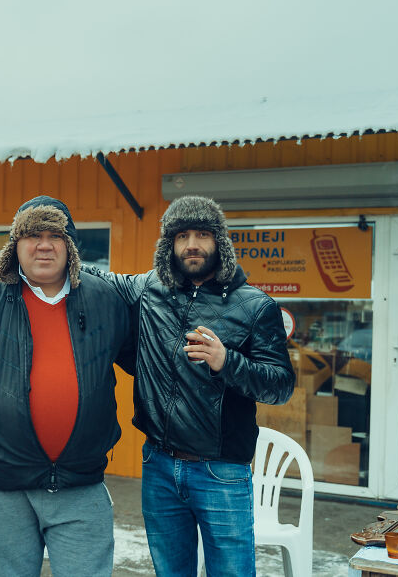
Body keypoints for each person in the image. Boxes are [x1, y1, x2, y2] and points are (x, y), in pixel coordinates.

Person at [0, 195, 133, 577]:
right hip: (3, 489)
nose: (44, 244)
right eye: (33, 235)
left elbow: (146, 365)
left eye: (56, 235)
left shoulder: (105, 300)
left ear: (70, 246)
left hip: (80, 487)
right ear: (15, 245)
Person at [81, 195, 295, 576]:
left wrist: (225, 361)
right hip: (159, 464)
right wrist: (33, 260)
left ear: (220, 243)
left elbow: (280, 386)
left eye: (202, 234)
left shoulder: (255, 306)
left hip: (221, 472)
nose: (192, 244)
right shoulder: (149, 289)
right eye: (181, 236)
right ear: (170, 245)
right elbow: (97, 278)